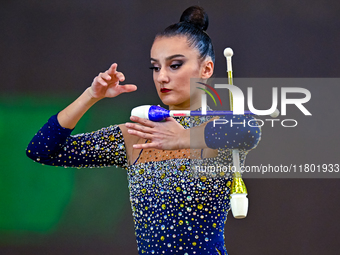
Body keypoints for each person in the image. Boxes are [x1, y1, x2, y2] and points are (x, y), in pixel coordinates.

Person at [26, 6, 261, 255]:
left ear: (206, 69)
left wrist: (182, 137)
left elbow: (249, 131)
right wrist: (90, 96)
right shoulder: (140, 131)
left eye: (175, 65)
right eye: (155, 67)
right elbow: (42, 150)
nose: (161, 77)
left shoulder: (221, 126)